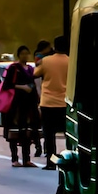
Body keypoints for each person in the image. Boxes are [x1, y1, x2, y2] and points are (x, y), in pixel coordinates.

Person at [0, 45, 40, 167]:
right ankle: (14, 158)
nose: (25, 56)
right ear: (18, 55)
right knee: (14, 132)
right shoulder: (13, 68)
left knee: (27, 132)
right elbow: (7, 85)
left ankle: (27, 158)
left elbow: (34, 84)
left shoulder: (30, 69)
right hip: (15, 105)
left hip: (29, 105)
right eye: (22, 53)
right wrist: (22, 87)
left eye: (26, 53)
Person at [34, 35, 70, 170]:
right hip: (65, 103)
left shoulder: (46, 61)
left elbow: (35, 74)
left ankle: (51, 162)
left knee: (49, 137)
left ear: (54, 47)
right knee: (68, 135)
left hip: (48, 103)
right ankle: (68, 161)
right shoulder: (71, 61)